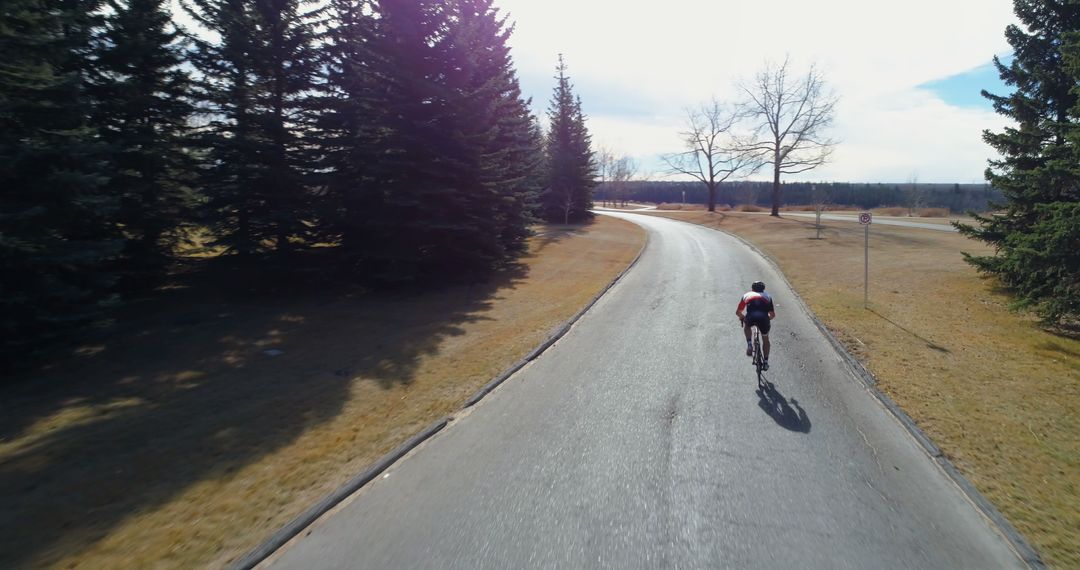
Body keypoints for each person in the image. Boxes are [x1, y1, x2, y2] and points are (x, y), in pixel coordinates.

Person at [735, 281, 776, 370]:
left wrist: (743, 318)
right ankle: (765, 362)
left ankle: (749, 344)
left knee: (747, 326)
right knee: (765, 340)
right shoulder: (768, 296)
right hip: (763, 318)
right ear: (763, 289)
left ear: (752, 289)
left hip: (751, 316)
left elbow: (738, 312)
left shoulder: (747, 295)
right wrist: (766, 319)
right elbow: (772, 315)